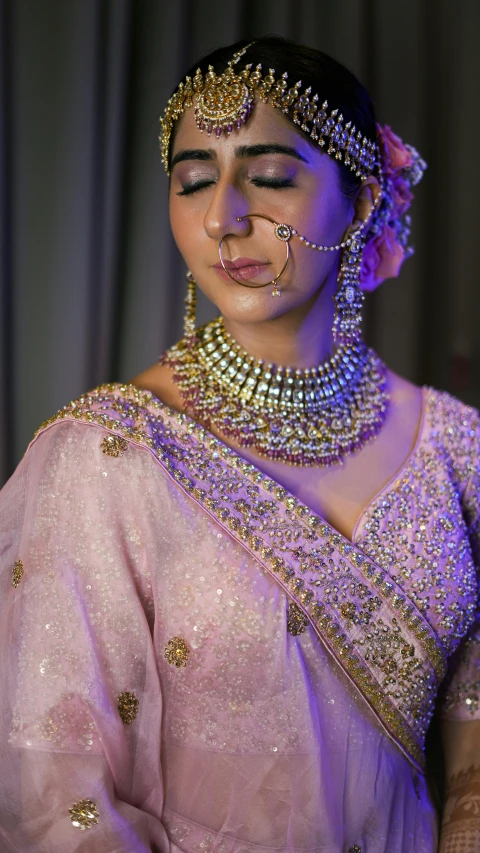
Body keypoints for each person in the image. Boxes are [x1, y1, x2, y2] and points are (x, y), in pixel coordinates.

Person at [0, 35, 479, 853]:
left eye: (268, 177)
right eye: (193, 182)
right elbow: (58, 798)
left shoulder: (456, 448)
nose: (223, 217)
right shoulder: (106, 456)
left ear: (362, 199)